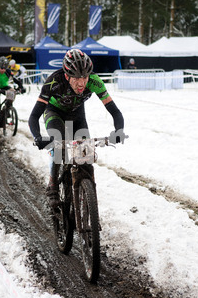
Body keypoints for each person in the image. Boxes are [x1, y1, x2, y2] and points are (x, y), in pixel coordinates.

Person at [28, 48, 125, 207]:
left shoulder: (95, 82)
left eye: (85, 77)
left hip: (77, 114)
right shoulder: (53, 82)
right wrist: (38, 137)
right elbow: (33, 116)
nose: (81, 83)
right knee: (58, 143)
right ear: (67, 76)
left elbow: (114, 110)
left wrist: (119, 130)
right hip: (54, 112)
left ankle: (90, 202)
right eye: (76, 78)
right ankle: (53, 184)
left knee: (85, 154)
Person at [0, 56, 26, 136]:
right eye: (1, 68)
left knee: (12, 91)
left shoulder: (8, 71)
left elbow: (16, 80)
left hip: (4, 86)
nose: (2, 70)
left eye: (4, 69)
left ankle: (8, 107)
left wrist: (21, 87)